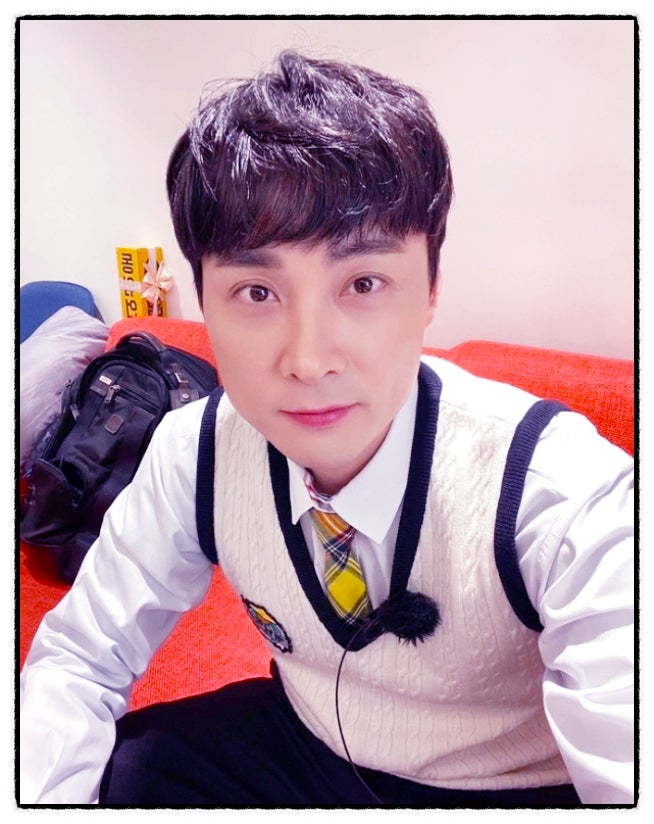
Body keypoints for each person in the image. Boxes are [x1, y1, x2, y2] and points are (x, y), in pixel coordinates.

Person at [19, 50, 634, 807]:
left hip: (506, 790)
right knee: (120, 775)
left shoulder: (560, 494)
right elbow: (79, 660)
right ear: (203, 303)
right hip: (306, 745)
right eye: (256, 291)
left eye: (364, 282)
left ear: (430, 291)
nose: (308, 361)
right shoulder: (195, 451)